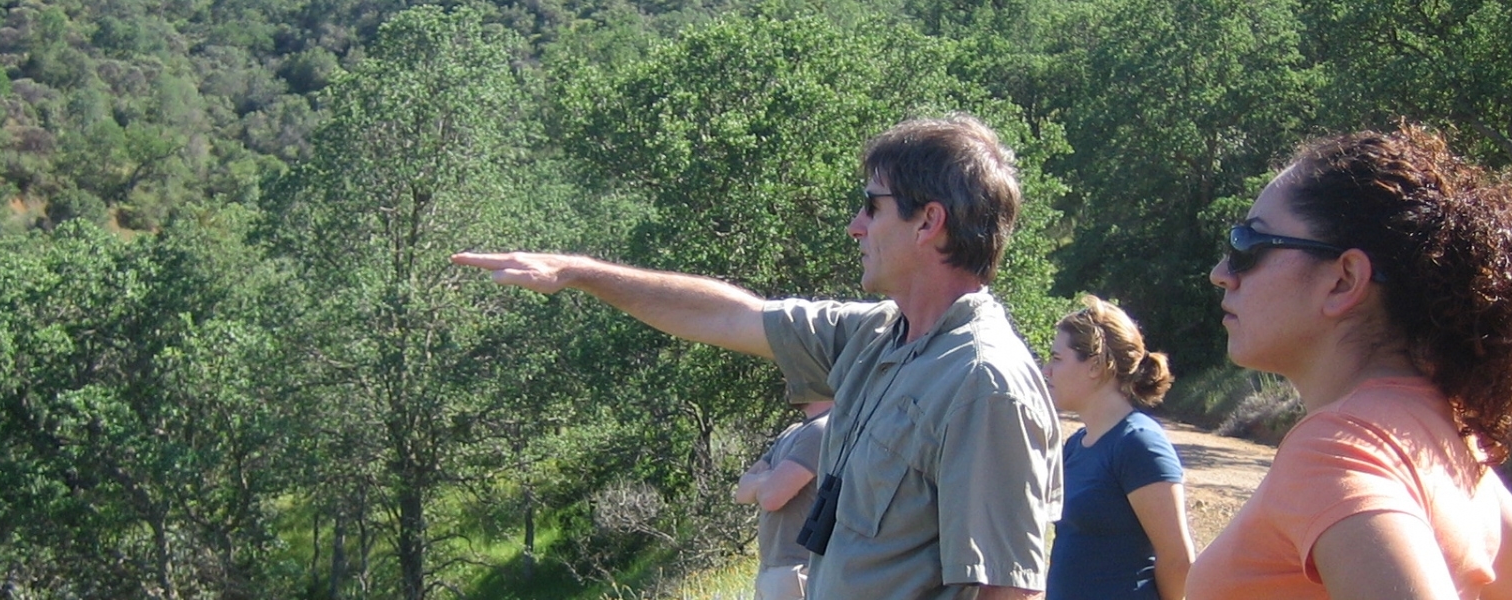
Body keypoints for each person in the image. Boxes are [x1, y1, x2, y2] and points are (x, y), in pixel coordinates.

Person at [453, 114, 1060, 599]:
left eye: (871, 205)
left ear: (929, 221)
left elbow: (1006, 589)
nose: (855, 226)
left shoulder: (983, 382)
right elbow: (728, 313)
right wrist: (580, 273)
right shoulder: (877, 337)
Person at [1186, 125, 1512, 600]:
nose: (1221, 275)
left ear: (1344, 280)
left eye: (1247, 247)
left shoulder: (1337, 450)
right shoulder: (1446, 428)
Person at [1043, 296, 1195, 600]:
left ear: (1096, 365)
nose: (1046, 370)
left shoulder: (1139, 444)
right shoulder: (1076, 445)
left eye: (1057, 359)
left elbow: (1178, 560)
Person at [733, 399, 832, 600]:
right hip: (771, 569)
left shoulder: (823, 429)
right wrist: (769, 479)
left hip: (797, 570)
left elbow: (772, 497)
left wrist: (764, 483)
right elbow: (741, 492)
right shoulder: (793, 431)